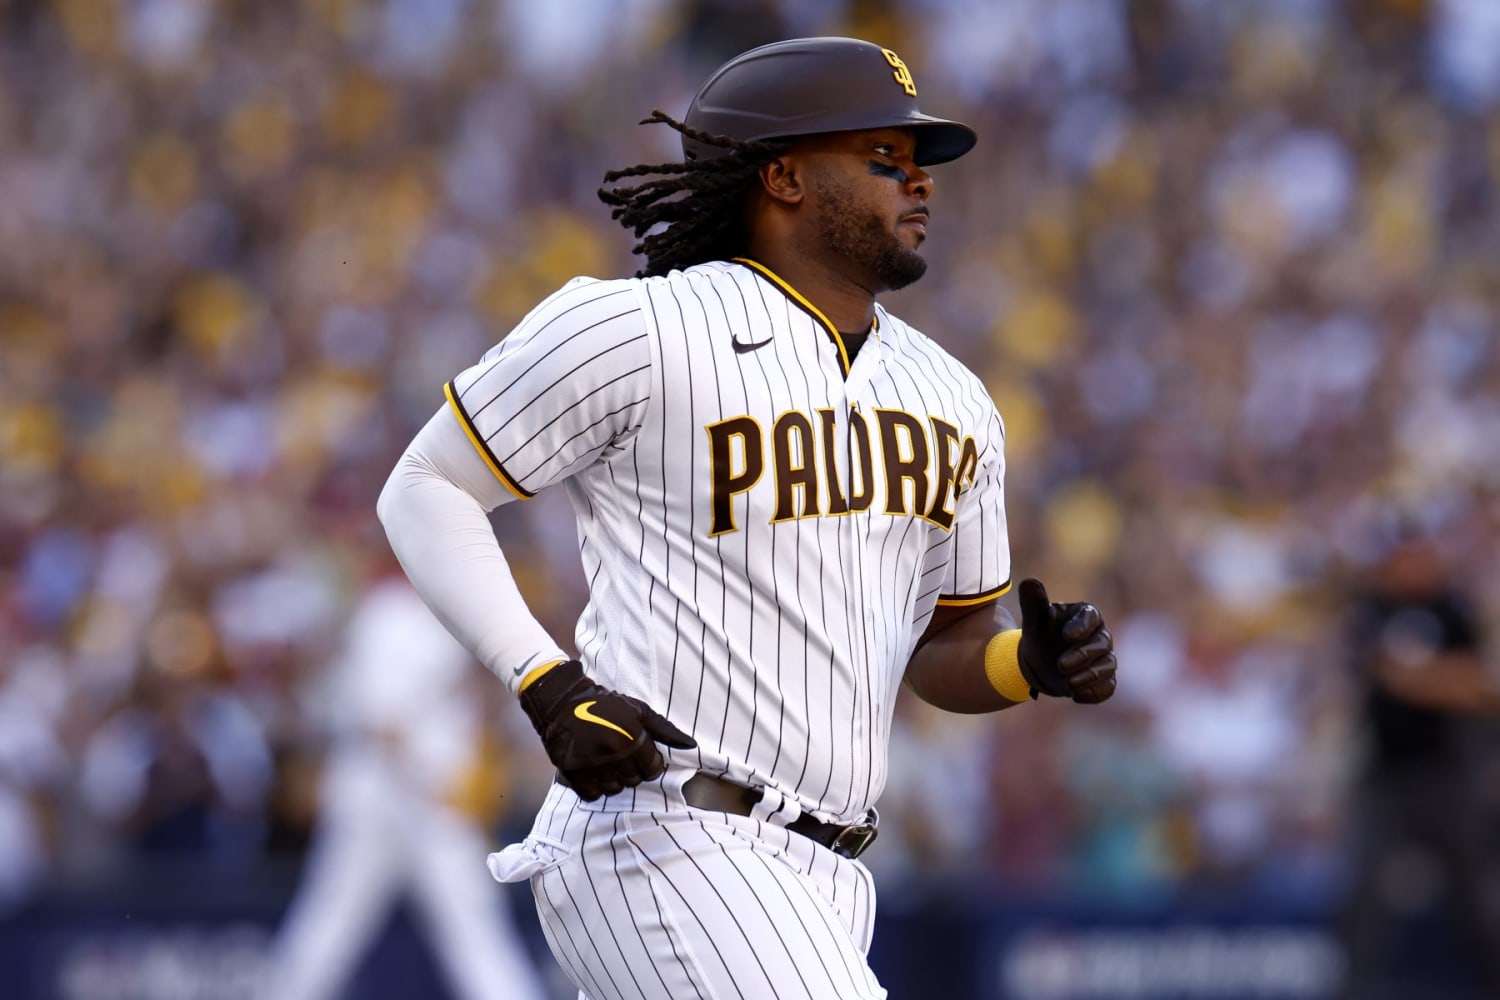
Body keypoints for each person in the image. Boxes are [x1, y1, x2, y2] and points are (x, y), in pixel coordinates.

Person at [377, 36, 1118, 999]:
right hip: (664, 831)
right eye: (884, 159)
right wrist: (545, 682)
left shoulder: (955, 396)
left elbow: (951, 642)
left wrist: (1029, 665)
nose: (920, 184)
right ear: (783, 175)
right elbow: (426, 485)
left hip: (833, 875)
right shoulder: (639, 329)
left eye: (919, 163)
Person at [259, 566, 550, 1000]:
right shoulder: (391, 615)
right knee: (336, 922)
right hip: (395, 794)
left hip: (412, 797)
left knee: (467, 926)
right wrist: (434, 783)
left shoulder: (445, 614)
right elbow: (383, 724)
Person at [1337, 523, 1500, 998]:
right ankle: (1353, 989)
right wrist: (1443, 680)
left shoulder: (1454, 609)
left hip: (1445, 774)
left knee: (1476, 891)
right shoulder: (1371, 610)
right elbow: (1388, 675)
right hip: (1385, 775)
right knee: (1364, 891)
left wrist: (1424, 679)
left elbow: (1482, 687)